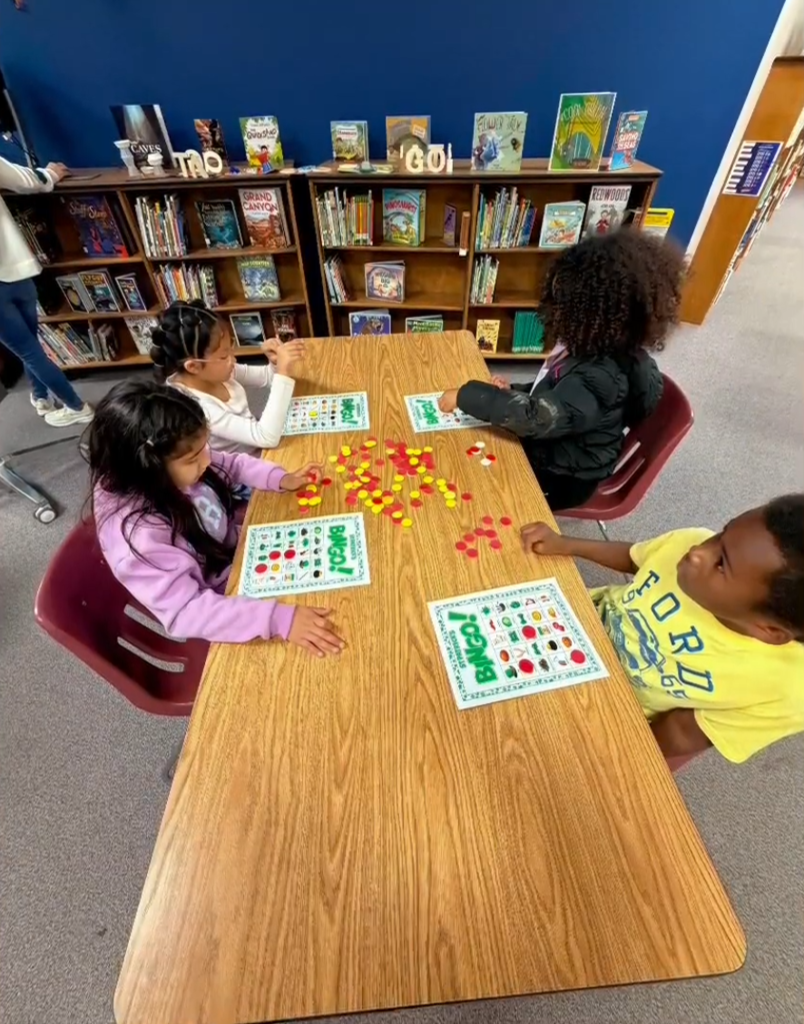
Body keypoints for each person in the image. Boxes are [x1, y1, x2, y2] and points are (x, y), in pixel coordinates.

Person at [520, 494, 804, 763]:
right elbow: (636, 558)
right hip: (567, 624)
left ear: (768, 630)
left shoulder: (785, 689)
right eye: (721, 533)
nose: (696, 552)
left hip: (599, 708)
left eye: (721, 563)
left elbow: (680, 732)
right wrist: (565, 544)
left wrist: (606, 756)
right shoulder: (690, 542)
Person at [87, 380, 344, 657]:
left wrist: (282, 478)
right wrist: (278, 619)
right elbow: (186, 611)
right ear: (149, 470)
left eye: (205, 448)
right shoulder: (139, 539)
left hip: (240, 558)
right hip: (225, 606)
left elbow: (232, 464)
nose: (207, 460)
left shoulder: (181, 461)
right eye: (193, 458)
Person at [438, 230, 685, 511]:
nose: (554, 312)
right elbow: (555, 388)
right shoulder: (596, 348)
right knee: (481, 433)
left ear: (594, 315)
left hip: (565, 478)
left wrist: (465, 395)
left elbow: (537, 418)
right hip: (563, 450)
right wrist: (515, 391)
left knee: (470, 472)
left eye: (564, 306)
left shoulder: (599, 375)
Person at [0, 156, 93, 427]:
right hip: (19, 271)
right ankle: (40, 396)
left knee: (28, 350)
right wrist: (50, 174)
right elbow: (27, 180)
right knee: (30, 344)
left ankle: (76, 407)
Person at [151, 299, 303, 454]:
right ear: (193, 366)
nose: (233, 360)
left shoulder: (218, 372)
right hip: (244, 469)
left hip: (258, 448)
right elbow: (266, 437)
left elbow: (267, 378)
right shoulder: (197, 408)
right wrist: (283, 371)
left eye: (231, 349)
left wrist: (274, 362)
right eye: (224, 356)